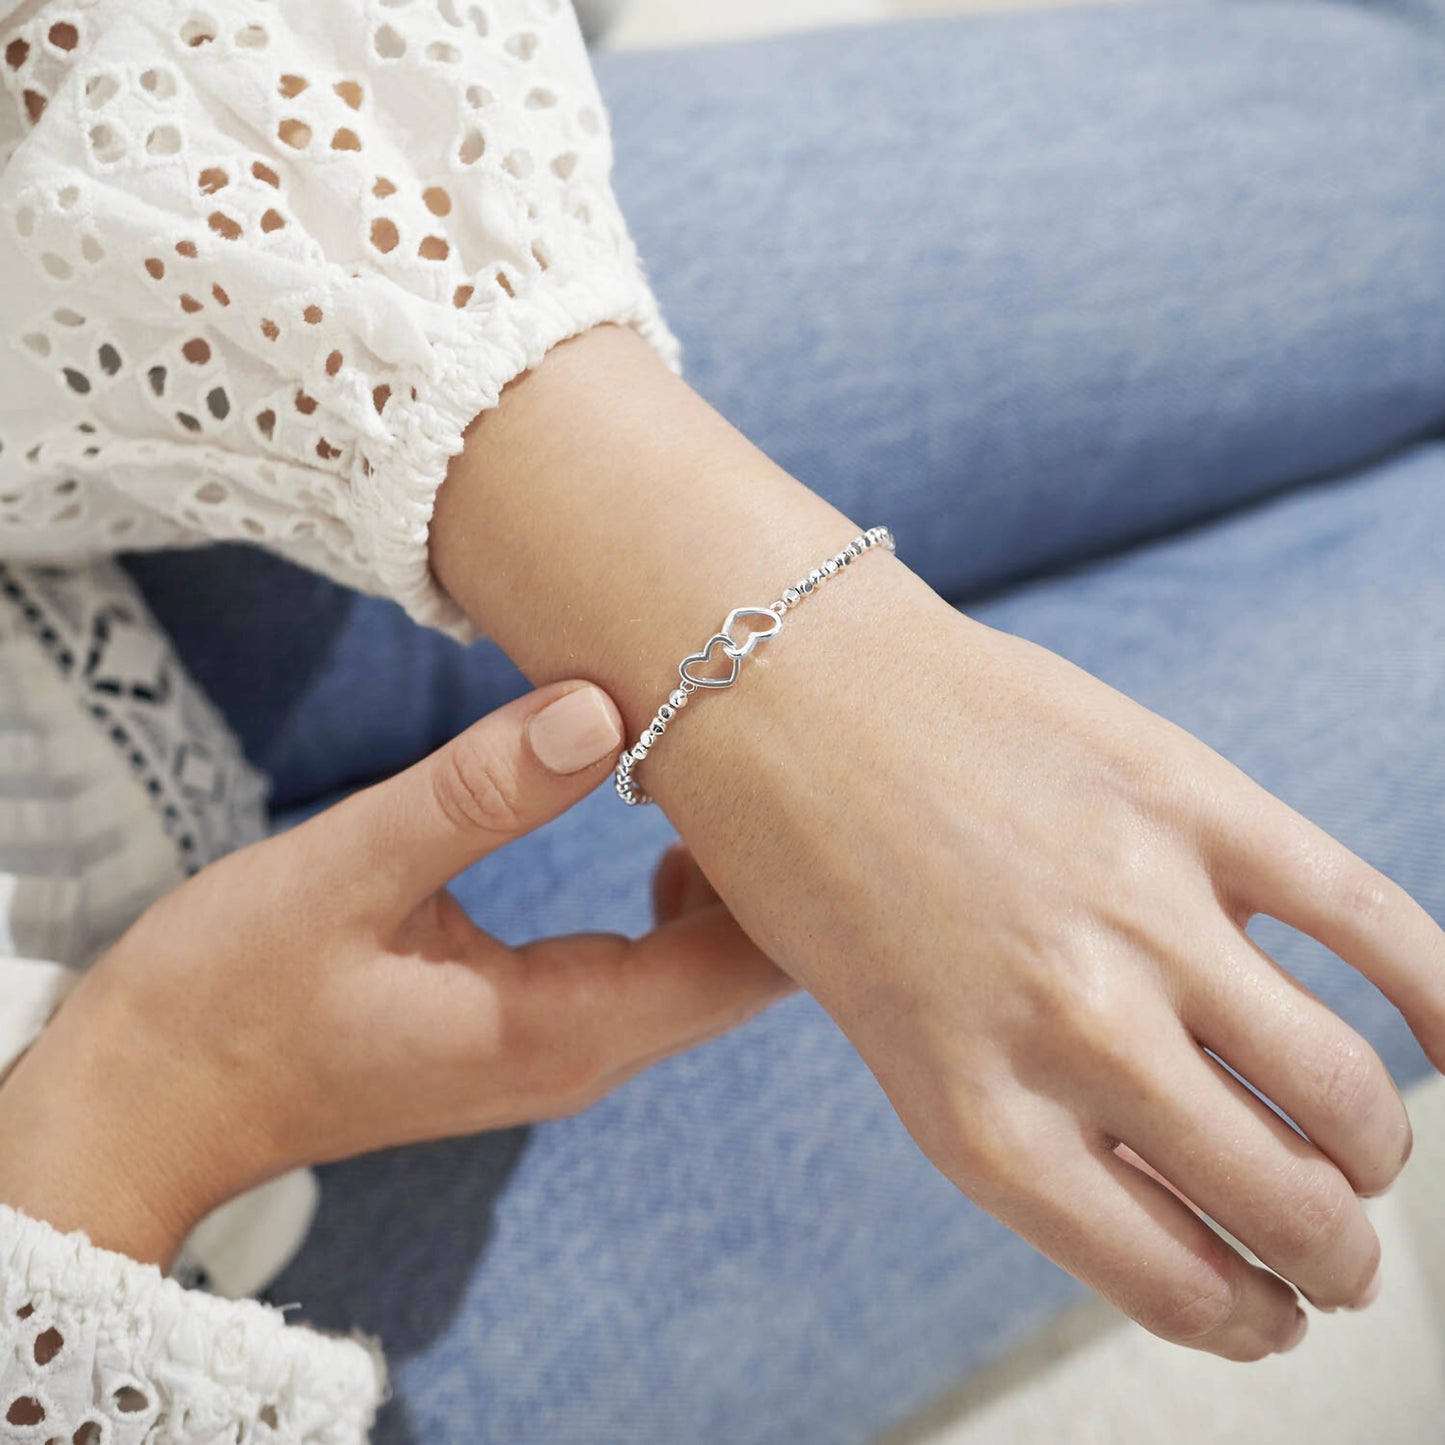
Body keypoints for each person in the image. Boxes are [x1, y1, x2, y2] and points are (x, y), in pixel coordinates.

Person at [1, 0, 1444, 1439]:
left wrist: (755, 625)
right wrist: (154, 1105)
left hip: (84, 372)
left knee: (1394, 141)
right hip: (196, 1275)